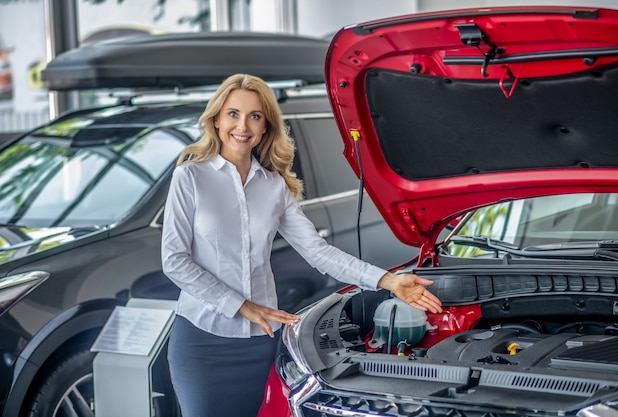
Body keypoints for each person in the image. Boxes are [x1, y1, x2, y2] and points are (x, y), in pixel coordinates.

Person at [161, 73, 443, 417]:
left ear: (266, 126)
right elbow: (174, 260)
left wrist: (389, 281)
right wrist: (240, 305)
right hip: (203, 339)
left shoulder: (274, 186)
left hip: (260, 342)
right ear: (217, 119)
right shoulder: (190, 177)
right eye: (233, 113)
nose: (243, 126)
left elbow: (318, 252)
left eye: (255, 116)